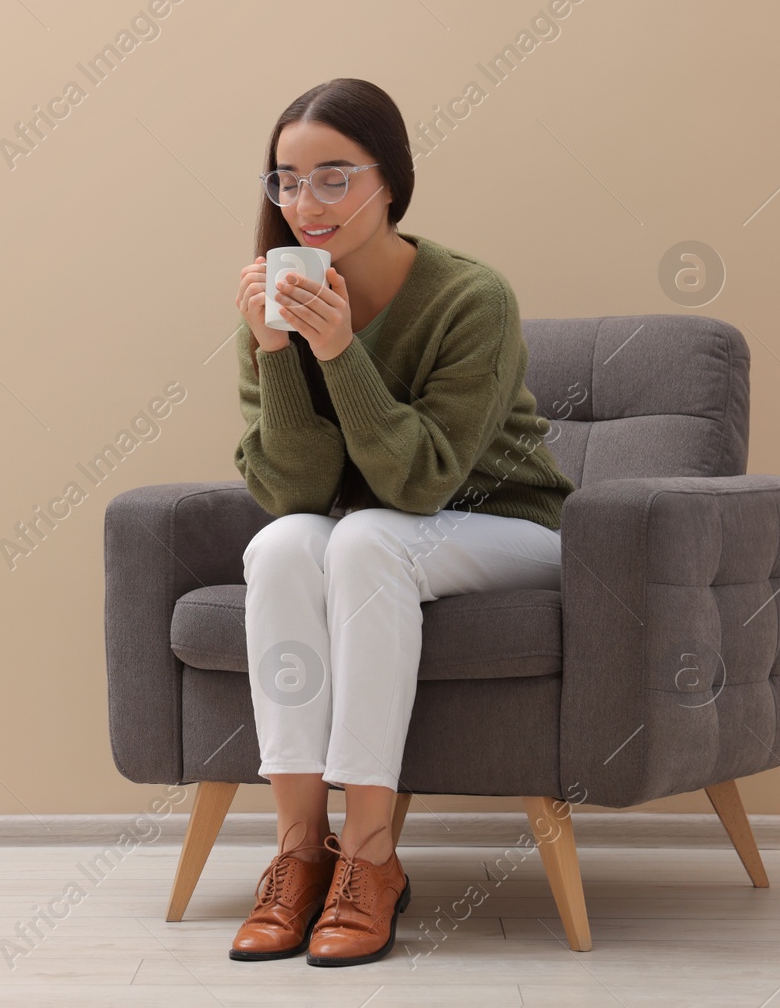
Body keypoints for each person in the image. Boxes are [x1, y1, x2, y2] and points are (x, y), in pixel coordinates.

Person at [228, 78, 576, 967]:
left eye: (334, 177)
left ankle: (372, 857)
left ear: (391, 181)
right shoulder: (275, 304)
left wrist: (342, 353)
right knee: (278, 546)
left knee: (370, 536)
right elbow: (296, 491)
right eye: (287, 180)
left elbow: (420, 481)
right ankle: (301, 852)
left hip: (510, 528)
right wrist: (281, 359)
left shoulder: (472, 298)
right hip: (370, 532)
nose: (306, 203)